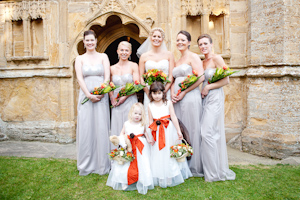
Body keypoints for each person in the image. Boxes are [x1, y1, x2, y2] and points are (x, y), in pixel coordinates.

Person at [197, 34, 236, 182]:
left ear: (211, 44)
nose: (203, 46)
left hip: (215, 97)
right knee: (208, 132)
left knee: (207, 132)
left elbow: (226, 79)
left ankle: (214, 173)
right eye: (200, 44)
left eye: (205, 43)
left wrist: (209, 87)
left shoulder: (217, 58)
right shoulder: (202, 62)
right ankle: (209, 168)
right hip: (204, 99)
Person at [75, 30, 111, 175]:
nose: (90, 43)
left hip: (101, 97)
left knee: (101, 127)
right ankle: (86, 164)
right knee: (86, 127)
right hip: (85, 97)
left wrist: (101, 92)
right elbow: (79, 78)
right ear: (83, 42)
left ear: (96, 41)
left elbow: (107, 76)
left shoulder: (104, 56)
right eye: (87, 40)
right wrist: (89, 95)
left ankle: (102, 163)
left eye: (92, 40)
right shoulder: (79, 59)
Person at [172, 30, 205, 177]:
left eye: (183, 40)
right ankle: (181, 161)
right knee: (180, 129)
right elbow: (173, 80)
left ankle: (194, 164)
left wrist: (184, 92)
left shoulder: (193, 57)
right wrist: (173, 92)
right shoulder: (177, 60)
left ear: (189, 42)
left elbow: (200, 78)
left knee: (191, 128)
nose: (180, 42)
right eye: (178, 40)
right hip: (177, 99)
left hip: (190, 97)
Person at [148, 81, 192, 187]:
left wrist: (178, 130)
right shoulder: (150, 105)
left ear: (163, 93)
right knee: (159, 152)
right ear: (151, 94)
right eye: (154, 93)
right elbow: (150, 120)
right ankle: (160, 175)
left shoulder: (168, 103)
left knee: (169, 151)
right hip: (157, 130)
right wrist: (152, 133)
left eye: (159, 93)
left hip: (168, 129)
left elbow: (173, 116)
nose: (157, 96)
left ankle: (170, 175)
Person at [106, 103, 154, 195]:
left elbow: (145, 133)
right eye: (135, 113)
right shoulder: (126, 123)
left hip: (140, 147)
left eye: (140, 114)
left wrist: (148, 140)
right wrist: (121, 143)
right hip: (128, 146)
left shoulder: (142, 124)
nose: (137, 116)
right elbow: (121, 134)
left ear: (142, 115)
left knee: (141, 163)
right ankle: (124, 181)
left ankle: (142, 180)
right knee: (126, 163)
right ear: (131, 113)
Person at [138, 27, 175, 116]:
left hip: (165, 90)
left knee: (165, 115)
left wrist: (163, 92)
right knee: (150, 116)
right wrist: (148, 93)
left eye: (159, 36)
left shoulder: (169, 55)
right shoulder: (144, 56)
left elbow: (171, 76)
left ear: (162, 39)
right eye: (154, 36)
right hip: (149, 91)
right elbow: (141, 77)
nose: (156, 39)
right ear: (150, 38)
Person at [109, 41, 139, 145]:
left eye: (126, 50)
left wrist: (125, 97)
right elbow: (110, 86)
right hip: (116, 102)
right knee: (117, 127)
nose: (124, 52)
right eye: (122, 50)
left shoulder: (134, 66)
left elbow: (136, 85)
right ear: (117, 51)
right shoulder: (111, 68)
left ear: (130, 52)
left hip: (129, 100)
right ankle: (118, 154)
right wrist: (112, 98)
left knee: (130, 126)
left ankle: (131, 153)